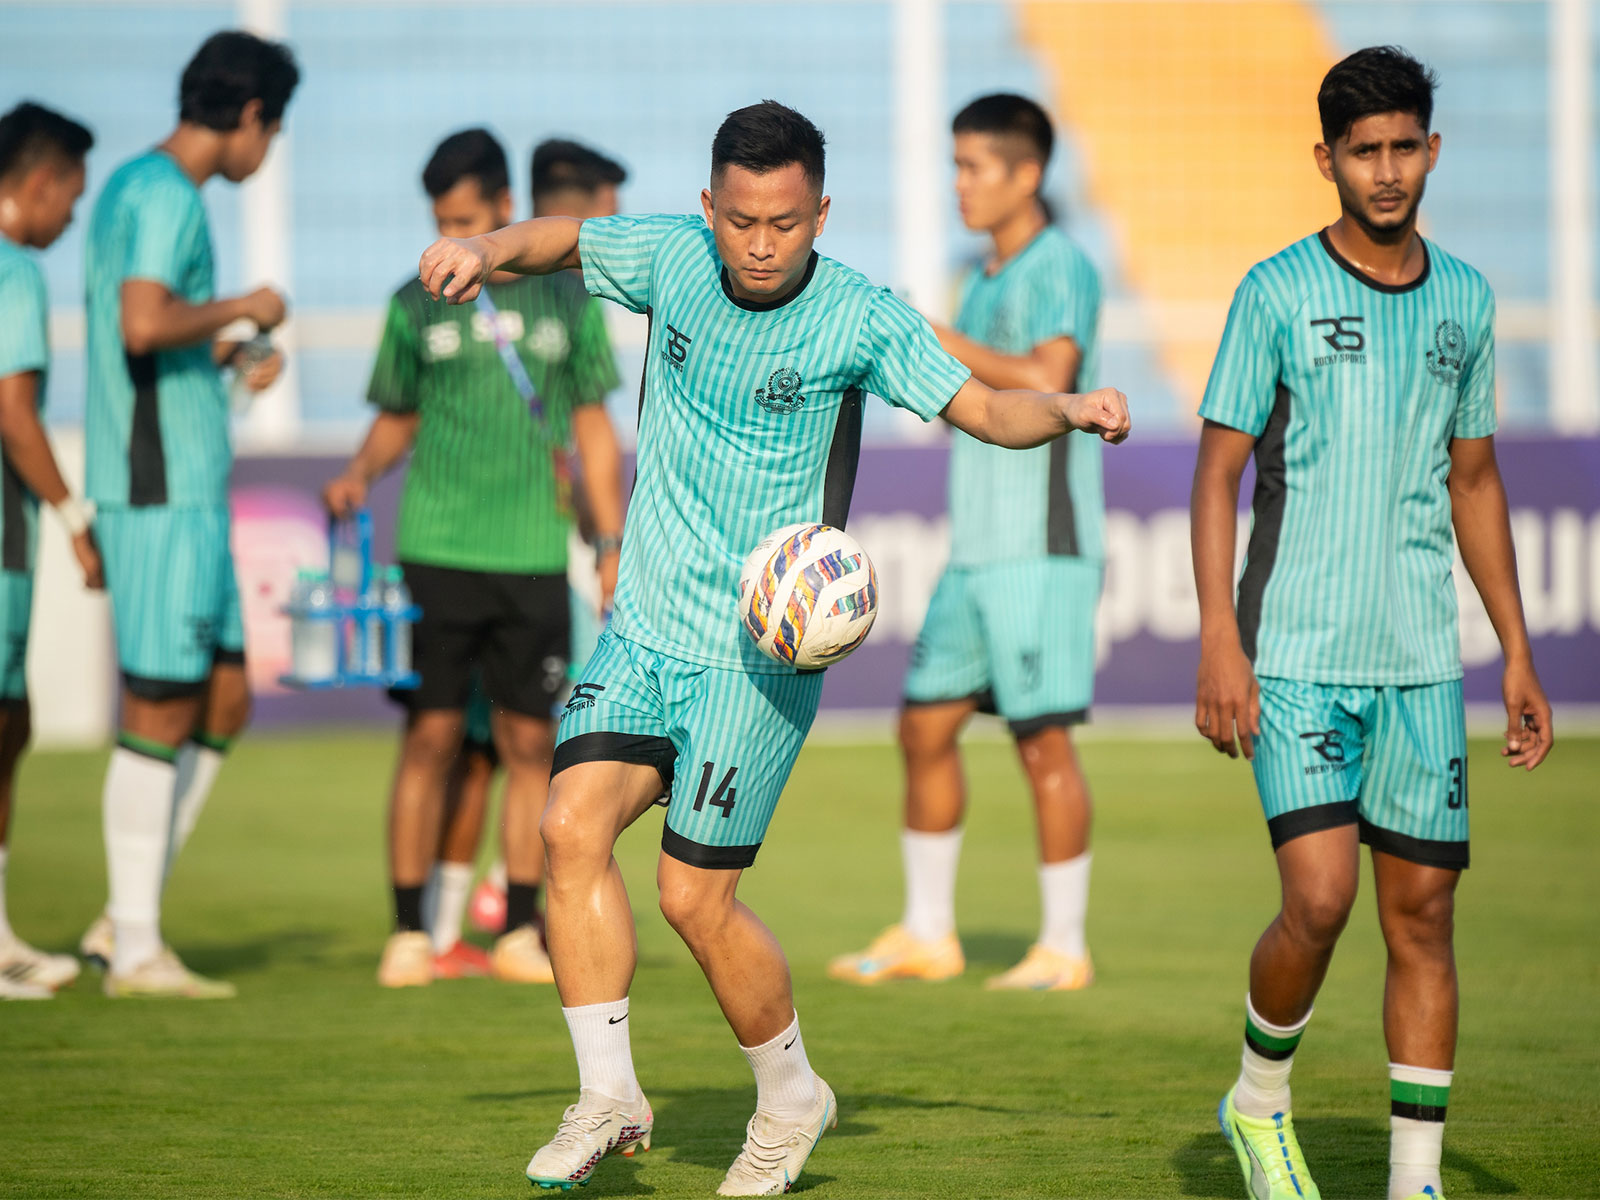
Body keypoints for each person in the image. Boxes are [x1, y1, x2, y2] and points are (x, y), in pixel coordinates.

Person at [417, 99, 1131, 1195]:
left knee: (692, 900)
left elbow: (983, 409)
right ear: (710, 207)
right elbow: (557, 239)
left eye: (785, 223)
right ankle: (607, 1093)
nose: (759, 243)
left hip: (755, 659)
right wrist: (480, 245)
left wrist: (1066, 405)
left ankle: (792, 1096)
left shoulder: (858, 316)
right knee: (567, 829)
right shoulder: (671, 255)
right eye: (741, 219)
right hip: (646, 624)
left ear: (820, 213)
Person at [1190, 46, 1553, 1200]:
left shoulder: (1466, 300)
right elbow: (1215, 478)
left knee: (1424, 916)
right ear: (1326, 159)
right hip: (1292, 655)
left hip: (1417, 665)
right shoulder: (1275, 293)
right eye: (1364, 150)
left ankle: (1414, 1180)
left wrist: (1517, 651)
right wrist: (1217, 638)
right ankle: (1257, 1102)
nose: (1387, 170)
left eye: (1404, 147)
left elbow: (1476, 482)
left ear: (1430, 151)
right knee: (1320, 897)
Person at [323, 127, 625, 989]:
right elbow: (398, 415)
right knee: (432, 738)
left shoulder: (568, 305)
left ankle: (521, 933)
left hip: (533, 554)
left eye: (464, 218)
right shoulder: (411, 303)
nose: (448, 238)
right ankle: (409, 933)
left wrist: (608, 543)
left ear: (502, 208)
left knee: (534, 745)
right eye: (439, 220)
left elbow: (595, 433)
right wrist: (356, 473)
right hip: (438, 550)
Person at [831, 93, 1103, 993]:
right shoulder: (981, 276)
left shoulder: (1058, 264)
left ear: (1026, 175)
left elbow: (1049, 379)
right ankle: (928, 931)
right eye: (954, 165)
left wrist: (934, 337)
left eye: (974, 166)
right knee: (925, 726)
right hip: (976, 547)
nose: (959, 184)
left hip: (1040, 547)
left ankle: (1064, 946)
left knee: (1042, 743)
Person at [80, 30, 299, 999]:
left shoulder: (143, 188)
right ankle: (133, 947)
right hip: (157, 484)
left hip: (187, 481)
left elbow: (155, 337)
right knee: (161, 701)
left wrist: (230, 354)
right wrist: (245, 306)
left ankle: (127, 916)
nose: (266, 151)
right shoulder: (165, 192)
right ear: (251, 114)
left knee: (223, 698)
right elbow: (140, 322)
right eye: (274, 128)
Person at [462, 136, 632, 945]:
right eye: (609, 210)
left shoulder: (562, 307)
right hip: (536, 550)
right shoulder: (561, 305)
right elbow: (592, 433)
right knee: (536, 727)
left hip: (532, 546)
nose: (620, 227)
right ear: (579, 213)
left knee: (504, 735)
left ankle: (482, 901)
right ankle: (501, 898)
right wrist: (605, 539)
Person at [0, 101, 99, 1000]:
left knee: (14, 721)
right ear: (40, 182)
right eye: (71, 196)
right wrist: (73, 519)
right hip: (3, 544)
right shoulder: (14, 271)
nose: (71, 215)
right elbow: (15, 414)